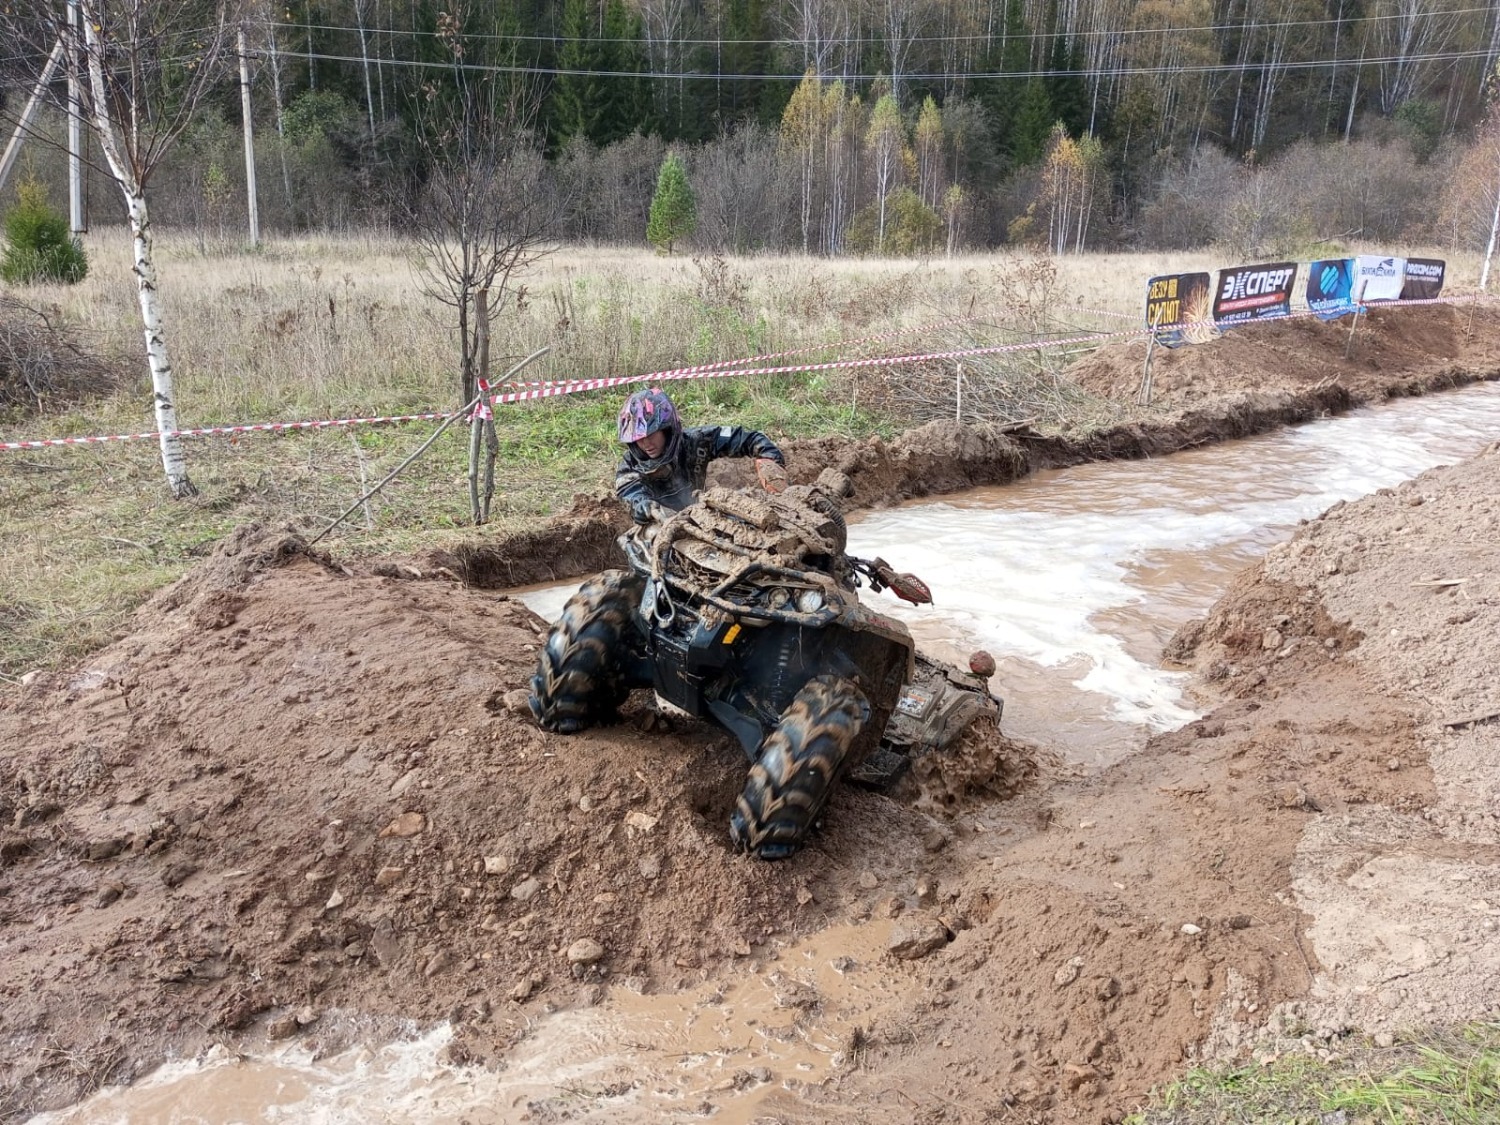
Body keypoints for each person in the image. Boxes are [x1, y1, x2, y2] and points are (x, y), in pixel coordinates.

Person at [614, 387, 787, 524]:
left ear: (667, 429)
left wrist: (770, 462)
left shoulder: (698, 441)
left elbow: (747, 438)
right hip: (661, 525)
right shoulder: (629, 466)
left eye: (651, 435)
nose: (645, 444)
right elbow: (630, 493)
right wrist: (641, 505)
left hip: (703, 514)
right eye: (638, 439)